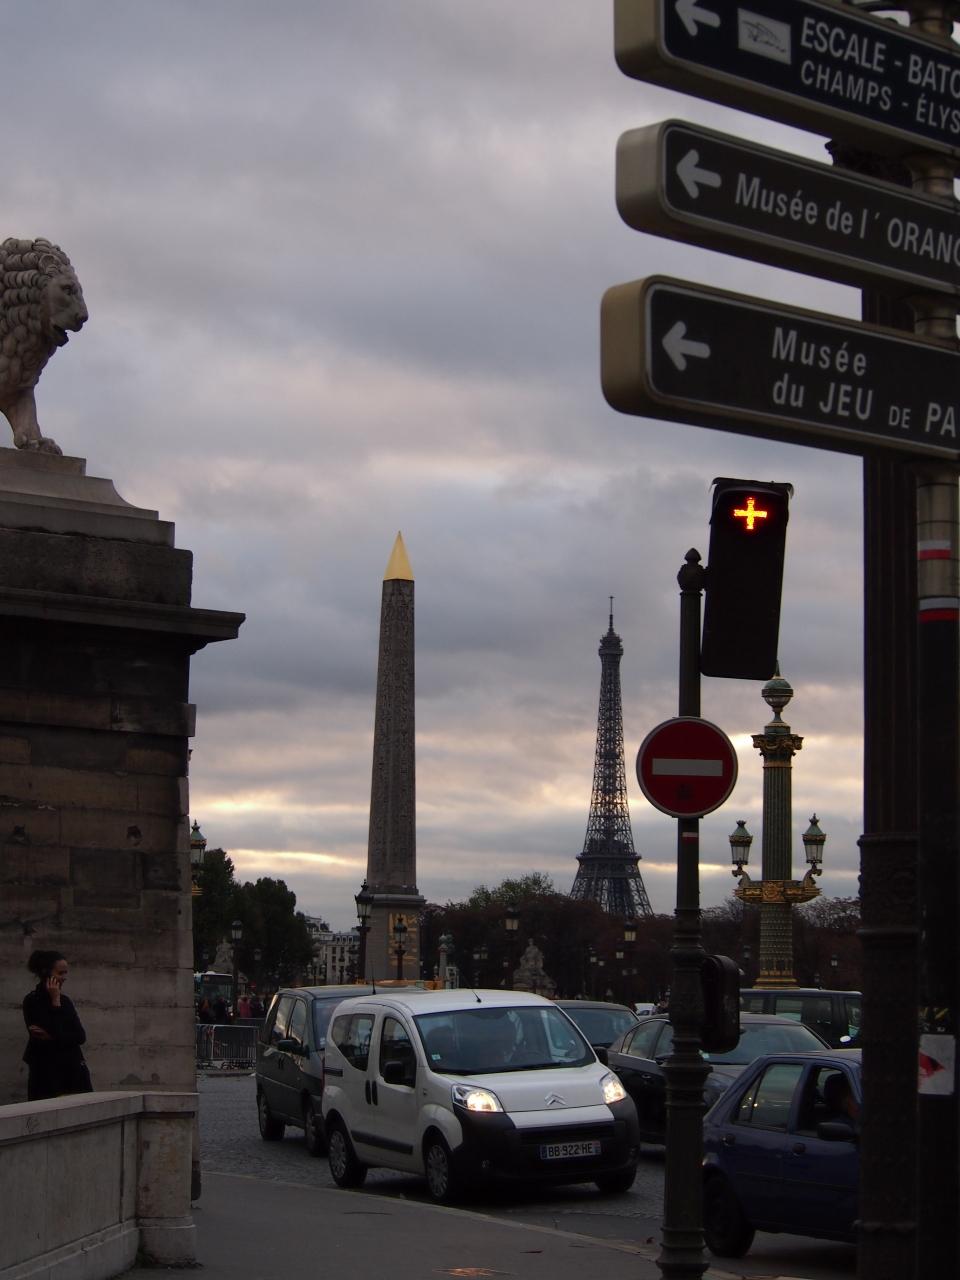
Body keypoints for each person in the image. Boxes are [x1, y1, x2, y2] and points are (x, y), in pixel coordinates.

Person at [22, 950, 93, 1101]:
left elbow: (80, 1036)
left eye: (65, 973)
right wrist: (55, 1003)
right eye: (60, 973)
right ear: (45, 972)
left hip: (73, 1070)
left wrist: (52, 1036)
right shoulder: (32, 1001)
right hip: (45, 1073)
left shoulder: (65, 1001)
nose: (64, 978)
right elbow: (46, 1035)